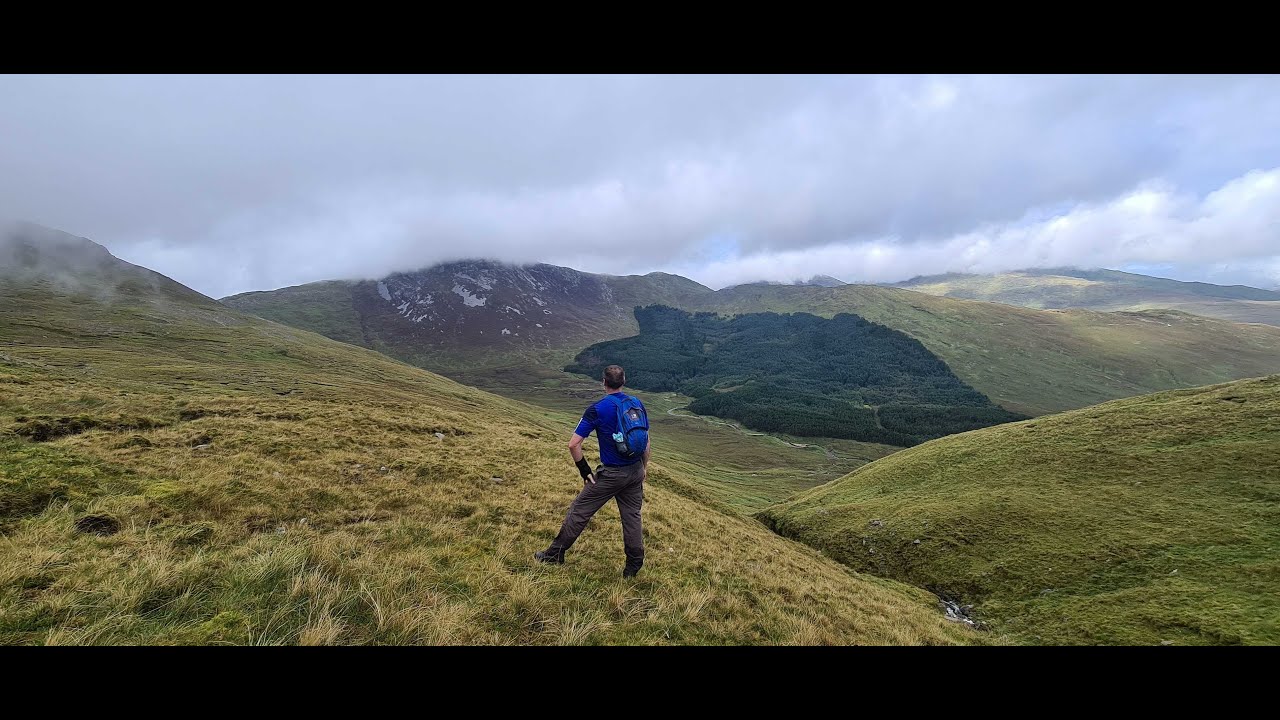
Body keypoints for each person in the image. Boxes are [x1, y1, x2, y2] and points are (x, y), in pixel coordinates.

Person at [535, 364, 650, 578]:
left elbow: (573, 444)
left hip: (612, 474)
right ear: (623, 381)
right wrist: (643, 468)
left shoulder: (598, 408)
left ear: (603, 382)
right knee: (632, 517)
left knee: (580, 511)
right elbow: (646, 440)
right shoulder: (636, 403)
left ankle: (554, 554)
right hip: (634, 471)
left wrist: (584, 470)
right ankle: (633, 565)